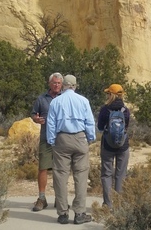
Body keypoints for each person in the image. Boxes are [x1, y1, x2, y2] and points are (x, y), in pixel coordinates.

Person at [46, 74, 96, 225]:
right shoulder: (83, 101)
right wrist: (90, 138)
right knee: (80, 176)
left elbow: (51, 123)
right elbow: (89, 121)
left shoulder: (56, 101)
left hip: (62, 139)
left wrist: (51, 140)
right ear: (74, 85)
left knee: (60, 175)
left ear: (63, 85)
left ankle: (62, 214)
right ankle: (80, 213)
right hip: (80, 138)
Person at [30, 72, 63, 212]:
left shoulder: (65, 98)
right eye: (54, 82)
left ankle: (60, 198)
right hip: (45, 138)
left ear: (62, 85)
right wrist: (36, 119)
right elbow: (33, 113)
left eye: (59, 83)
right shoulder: (41, 99)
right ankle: (42, 198)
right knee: (43, 168)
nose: (56, 85)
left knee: (60, 169)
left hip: (61, 139)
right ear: (49, 83)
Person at [97, 84, 131, 208]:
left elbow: (100, 127)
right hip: (123, 145)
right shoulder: (125, 110)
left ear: (110, 94)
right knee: (120, 174)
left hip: (107, 145)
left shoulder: (105, 109)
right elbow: (126, 127)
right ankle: (118, 204)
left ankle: (108, 204)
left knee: (107, 174)